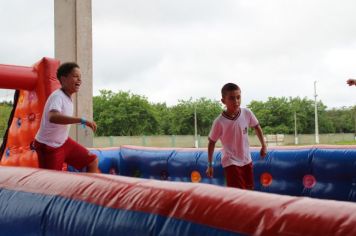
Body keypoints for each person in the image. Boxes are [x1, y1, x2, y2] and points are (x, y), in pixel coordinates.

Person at [34, 62, 100, 173]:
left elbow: (64, 118)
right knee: (51, 182)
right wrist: (81, 120)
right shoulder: (57, 96)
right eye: (75, 76)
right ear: (63, 79)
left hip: (64, 142)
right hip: (49, 146)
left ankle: (91, 189)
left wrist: (83, 122)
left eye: (80, 77)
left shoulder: (67, 97)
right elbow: (53, 117)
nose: (79, 80)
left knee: (92, 161)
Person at [206, 83, 267, 189]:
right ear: (223, 101)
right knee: (239, 194)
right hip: (231, 162)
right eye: (231, 98)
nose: (236, 101)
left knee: (249, 191)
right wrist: (210, 165)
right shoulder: (219, 122)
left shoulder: (247, 113)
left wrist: (264, 145)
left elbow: (257, 127)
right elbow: (211, 142)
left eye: (238, 97)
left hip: (246, 159)